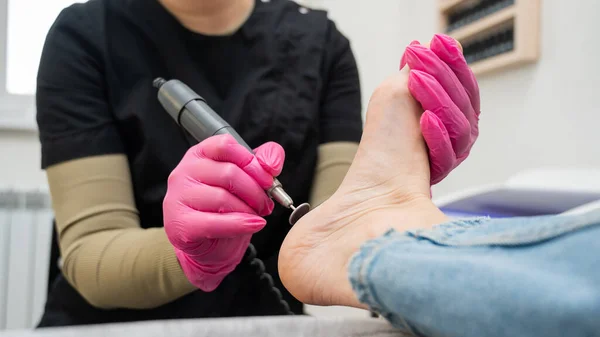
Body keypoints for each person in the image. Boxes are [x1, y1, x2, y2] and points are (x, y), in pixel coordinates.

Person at [35, 0, 476, 328]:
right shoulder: (86, 35)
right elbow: (91, 251)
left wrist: (390, 188)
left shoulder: (322, 45)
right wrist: (187, 256)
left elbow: (339, 218)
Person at [277, 37, 600, 337]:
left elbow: (334, 169)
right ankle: (379, 231)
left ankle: (374, 232)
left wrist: (344, 200)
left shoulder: (316, 37)